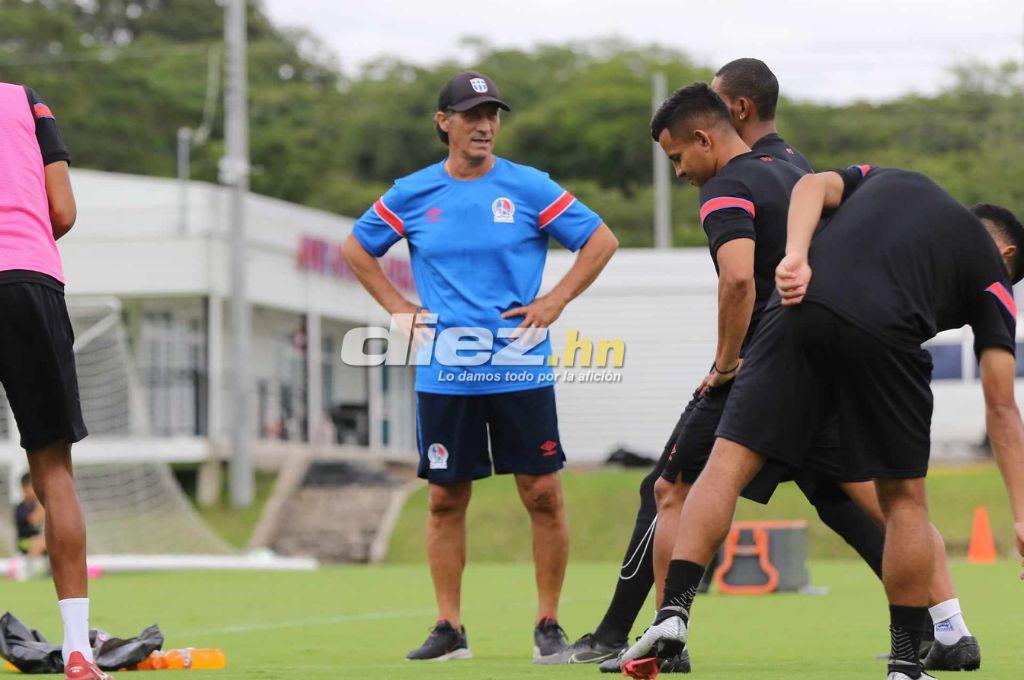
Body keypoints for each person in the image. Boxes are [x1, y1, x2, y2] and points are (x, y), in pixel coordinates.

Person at [620, 165, 1024, 680]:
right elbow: (1001, 408)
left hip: (797, 308)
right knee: (903, 503)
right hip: (887, 337)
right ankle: (905, 662)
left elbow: (810, 186)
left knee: (725, 464)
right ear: (1007, 253)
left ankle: (673, 613)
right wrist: (1021, 513)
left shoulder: (895, 179)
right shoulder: (994, 277)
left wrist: (794, 255)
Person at [342, 71, 618, 663]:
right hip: (446, 372)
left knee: (542, 494)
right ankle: (450, 629)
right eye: (471, 115)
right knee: (445, 499)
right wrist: (398, 308)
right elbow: (355, 248)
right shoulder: (412, 194)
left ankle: (548, 624)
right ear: (444, 123)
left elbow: (599, 240)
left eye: (492, 114)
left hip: (521, 368)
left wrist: (555, 300)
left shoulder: (529, 187)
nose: (485, 125)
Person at [0, 82, 107, 680]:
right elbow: (61, 211)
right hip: (31, 282)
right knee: (53, 471)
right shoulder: (25, 100)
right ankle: (76, 652)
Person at [15, 472, 47, 559]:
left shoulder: (36, 505)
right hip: (24, 542)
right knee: (41, 542)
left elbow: (45, 518)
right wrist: (39, 500)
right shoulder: (20, 508)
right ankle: (28, 567)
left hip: (39, 539)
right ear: (24, 487)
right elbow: (34, 519)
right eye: (32, 486)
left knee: (45, 540)